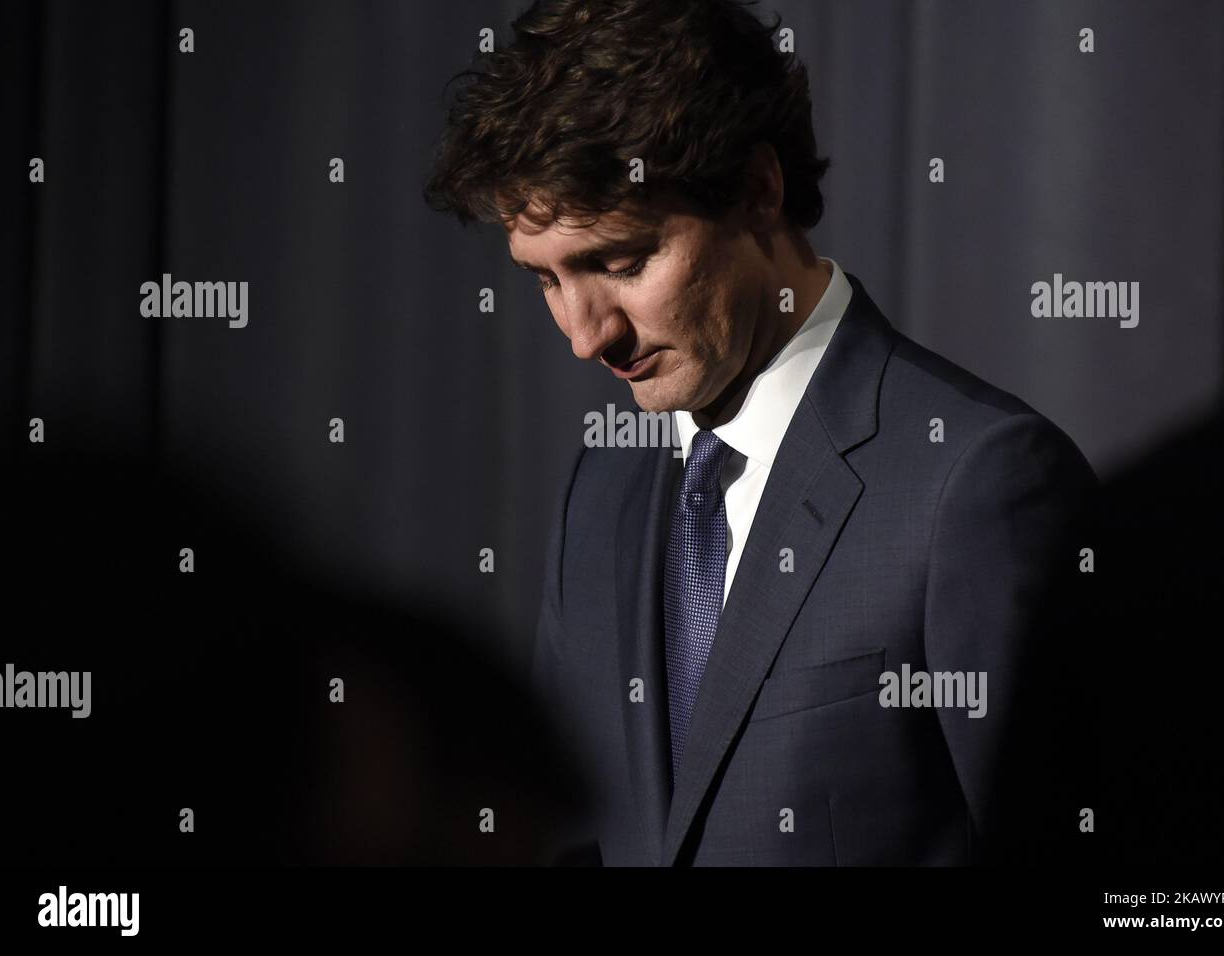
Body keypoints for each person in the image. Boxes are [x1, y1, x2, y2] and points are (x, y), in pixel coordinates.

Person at [425, 0, 1097, 865]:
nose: (587, 334)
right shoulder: (600, 491)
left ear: (758, 189)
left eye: (622, 262)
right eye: (545, 281)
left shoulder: (978, 482)